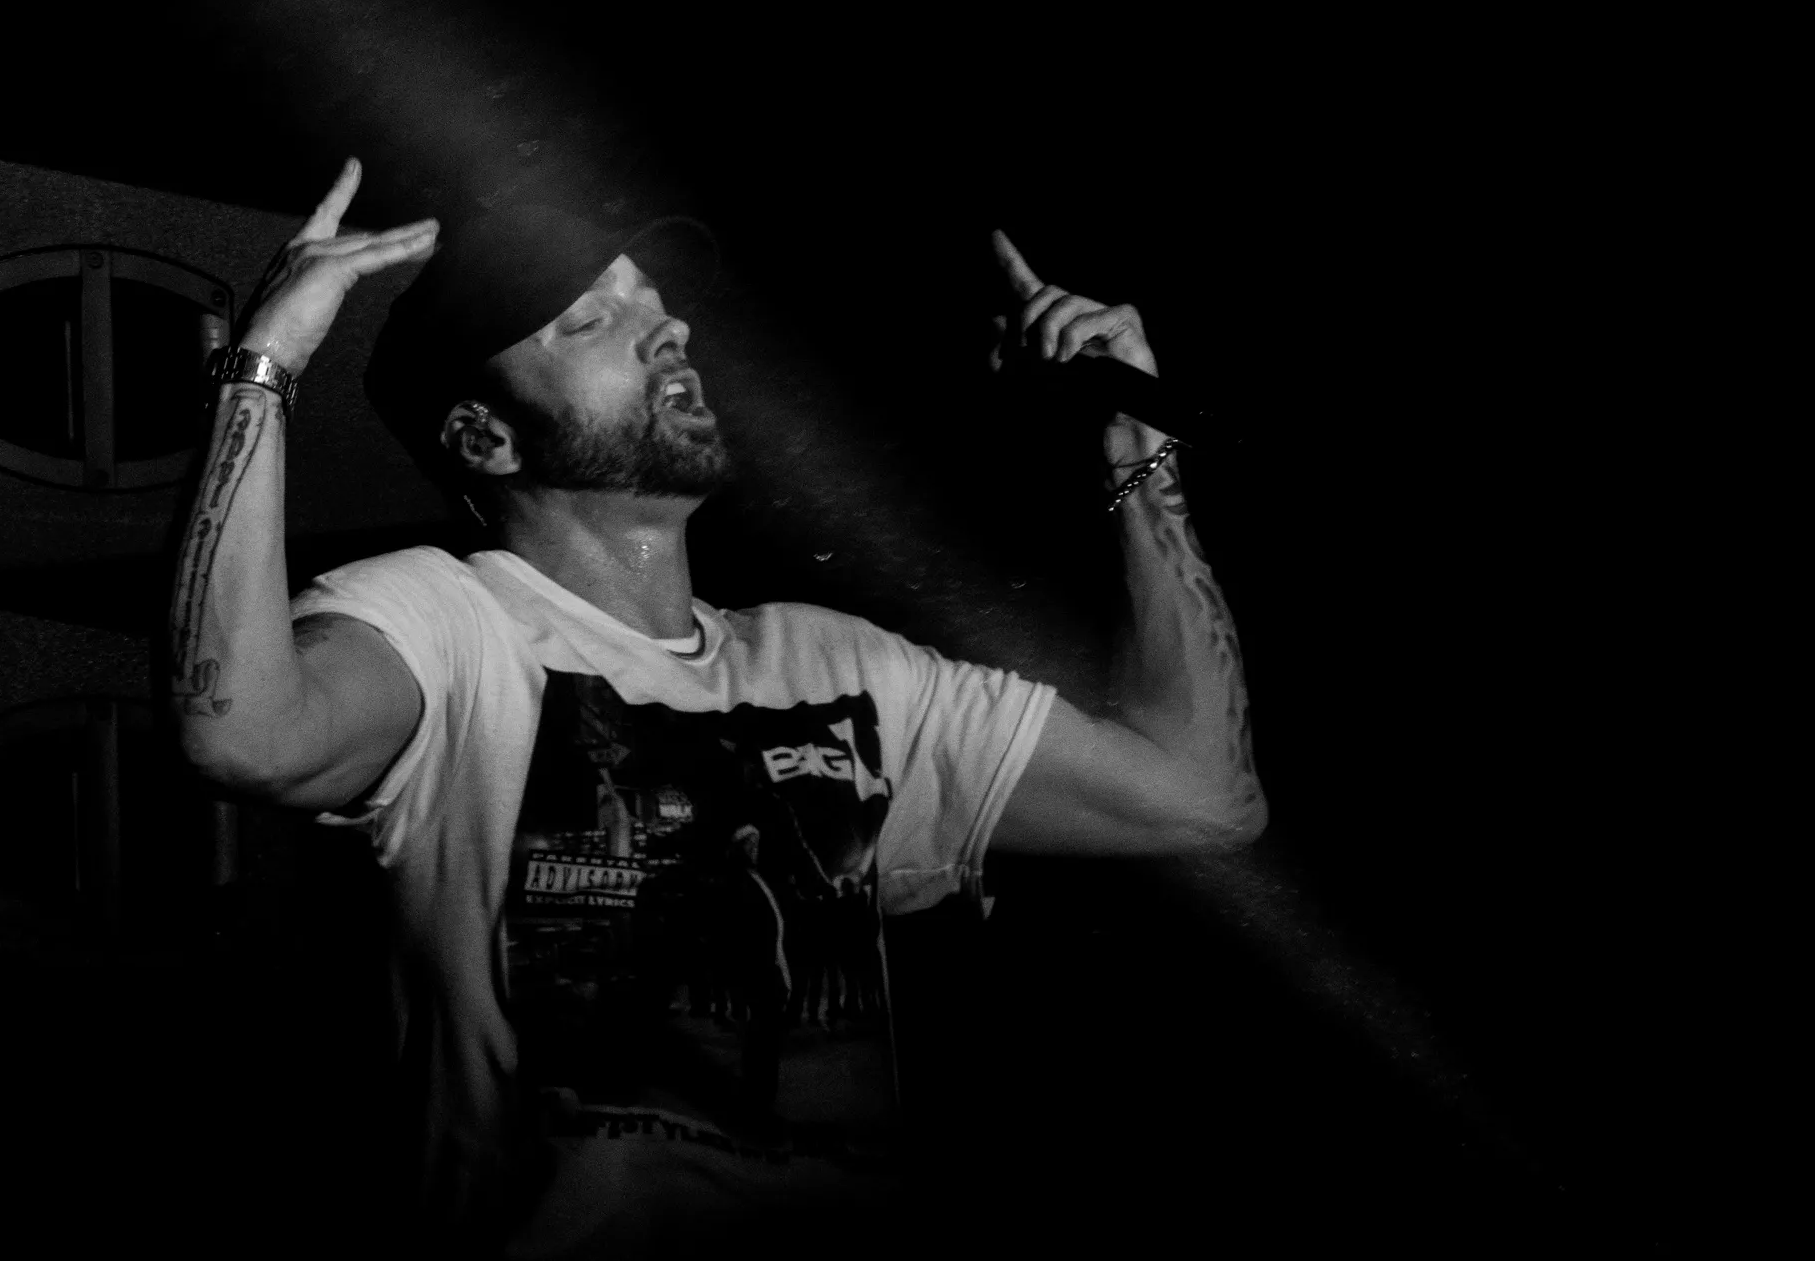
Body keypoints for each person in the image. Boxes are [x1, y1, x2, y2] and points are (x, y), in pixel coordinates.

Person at [170, 158, 1266, 1256]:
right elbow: (241, 731)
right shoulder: (448, 625)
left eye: (653, 300)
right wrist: (262, 368)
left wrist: (1136, 447)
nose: (668, 330)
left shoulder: (835, 664)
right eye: (592, 319)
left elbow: (1201, 794)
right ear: (484, 438)